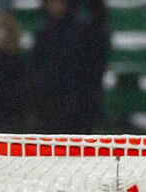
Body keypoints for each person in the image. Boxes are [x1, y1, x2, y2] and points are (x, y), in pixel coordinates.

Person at [30, 0, 109, 134]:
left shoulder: (85, 31)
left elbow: (93, 65)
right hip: (50, 105)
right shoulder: (43, 33)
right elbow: (38, 66)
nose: (56, 6)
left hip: (79, 102)